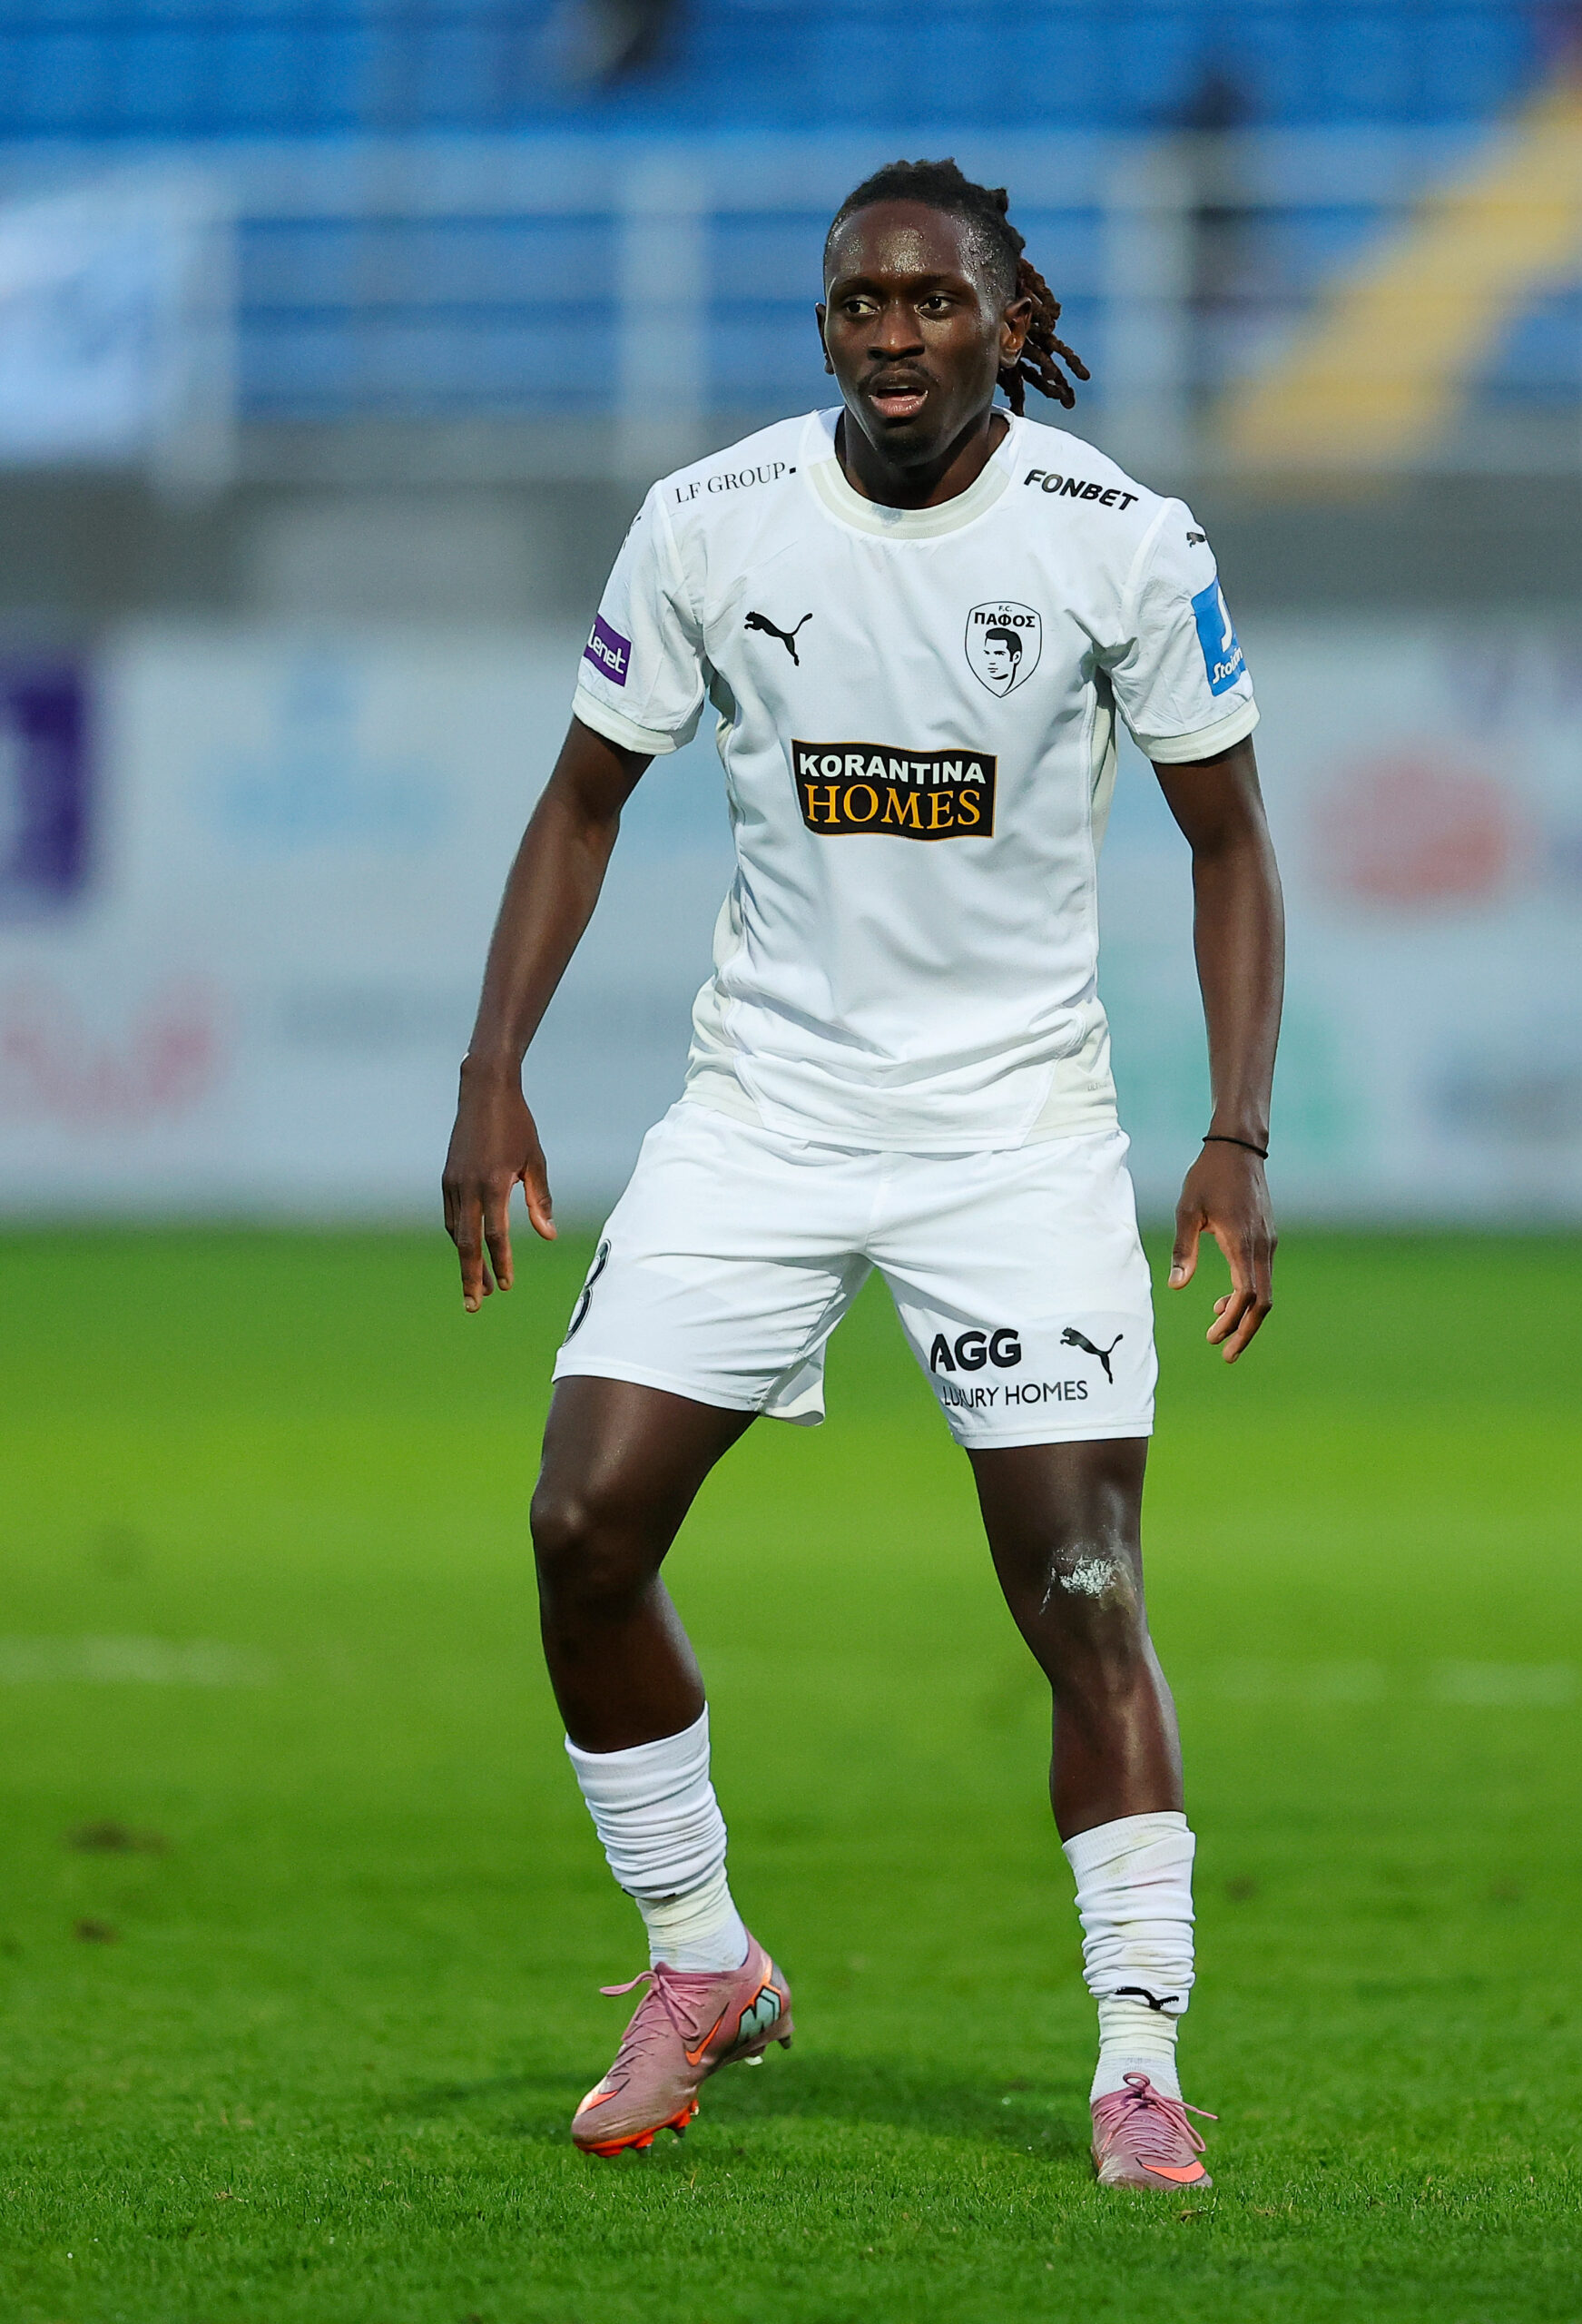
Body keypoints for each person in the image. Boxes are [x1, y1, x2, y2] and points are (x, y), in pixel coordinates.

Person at [442, 156, 1284, 2193]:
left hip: (1014, 1136)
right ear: (823, 320)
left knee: (1081, 1591)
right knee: (580, 1526)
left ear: (1008, 318)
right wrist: (492, 1071)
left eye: (930, 302)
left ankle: (1137, 2061)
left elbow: (1232, 845)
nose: (891, 337)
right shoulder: (711, 519)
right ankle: (700, 1957)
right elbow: (581, 798)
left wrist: (1235, 1135)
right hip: (768, 1113)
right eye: (857, 304)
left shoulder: (1120, 540)